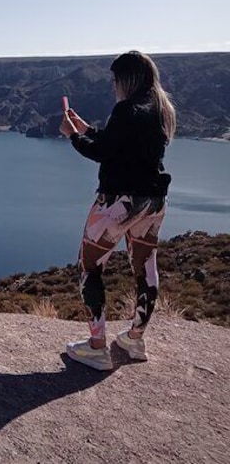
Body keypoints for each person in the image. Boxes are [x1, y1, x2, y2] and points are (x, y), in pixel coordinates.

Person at [59, 51, 176, 371]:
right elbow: (121, 145)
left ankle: (97, 347)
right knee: (145, 266)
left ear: (128, 79)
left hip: (118, 204)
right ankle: (135, 339)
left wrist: (73, 137)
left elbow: (103, 154)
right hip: (153, 202)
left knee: (89, 268)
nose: (113, 86)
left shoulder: (126, 109)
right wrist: (88, 129)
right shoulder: (160, 110)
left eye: (115, 80)